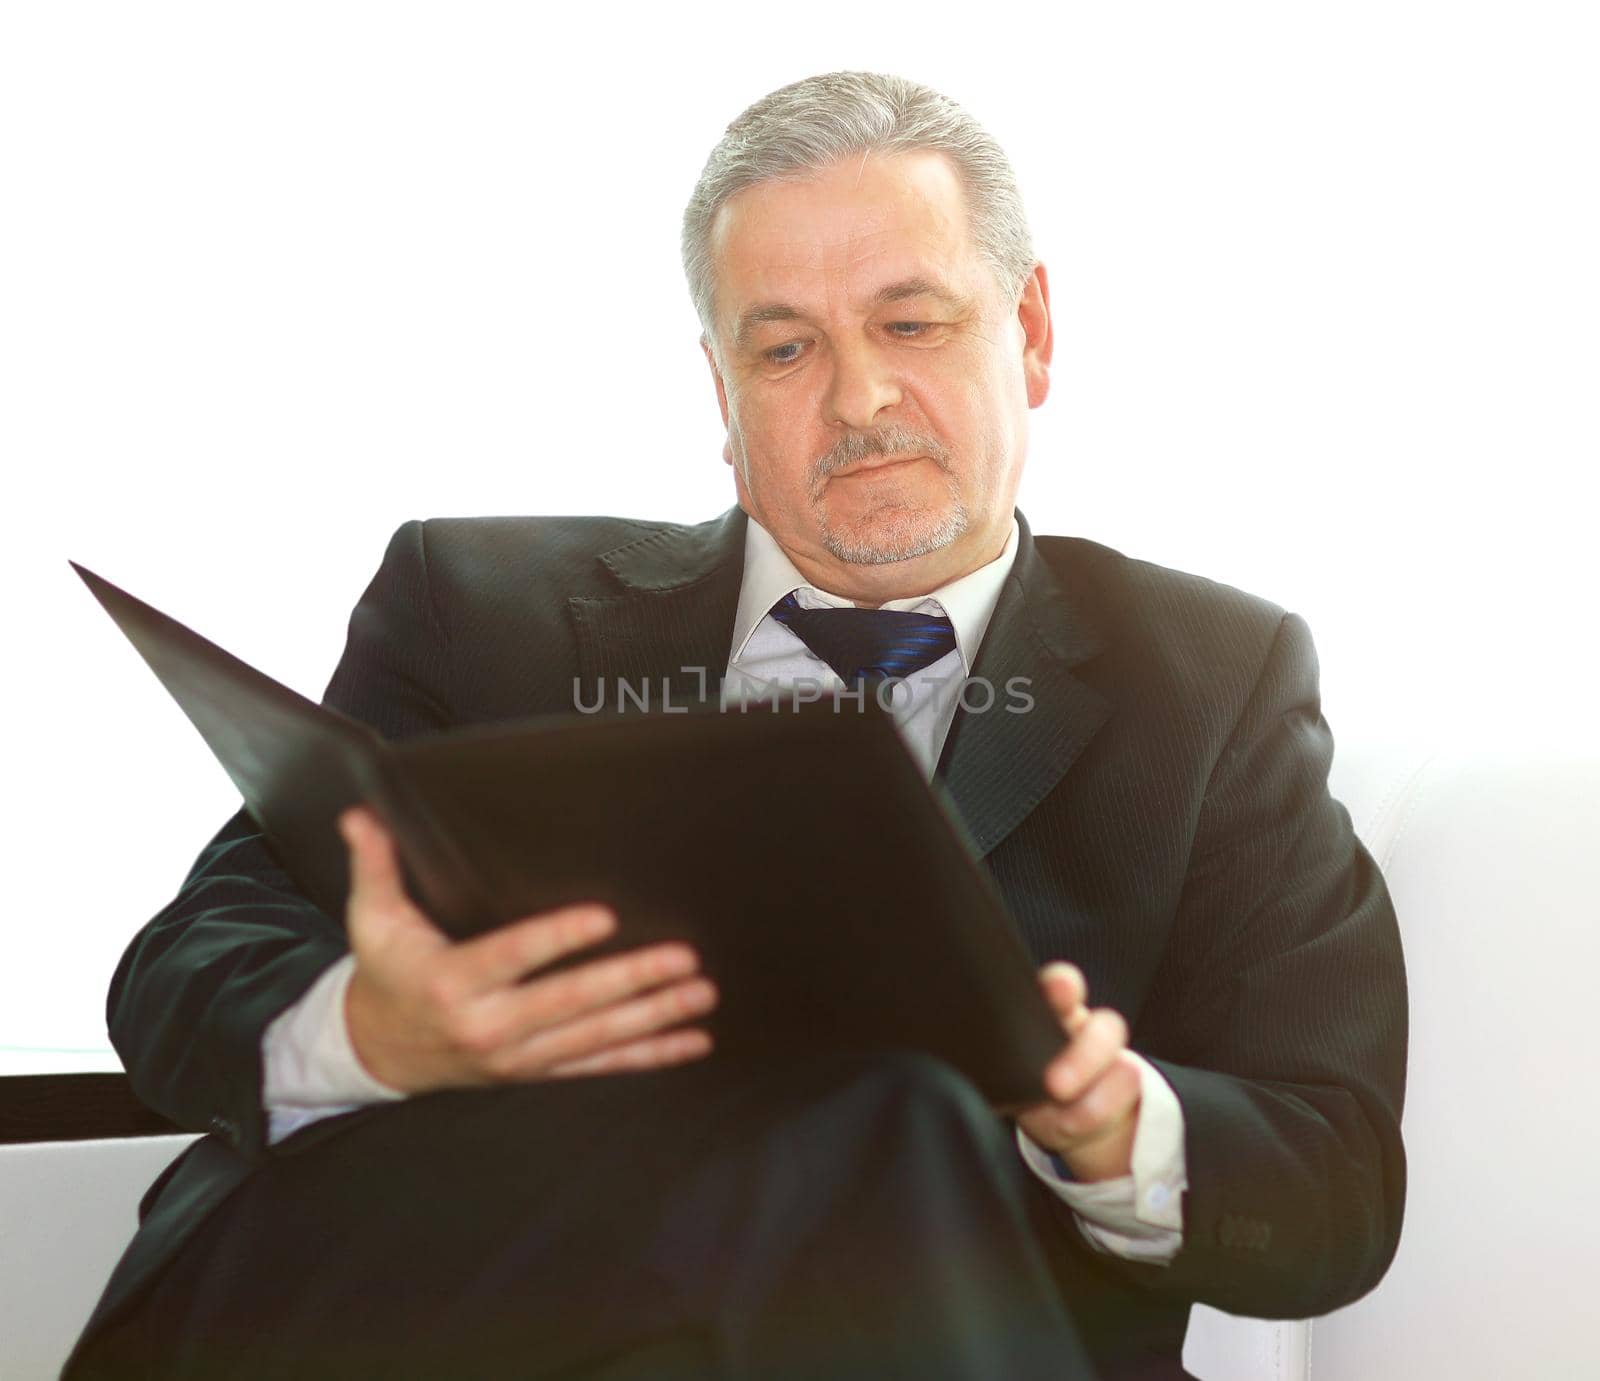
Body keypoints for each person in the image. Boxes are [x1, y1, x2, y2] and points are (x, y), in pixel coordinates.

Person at [65, 71, 1406, 1380]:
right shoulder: (475, 612)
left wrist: (1117, 1130)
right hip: (472, 1297)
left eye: (912, 323)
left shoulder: (1216, 683)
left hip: (933, 1315)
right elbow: (186, 964)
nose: (860, 399)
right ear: (723, 396)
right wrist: (373, 1032)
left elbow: (1333, 1177)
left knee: (894, 1123)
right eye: (785, 348)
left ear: (1034, 328)